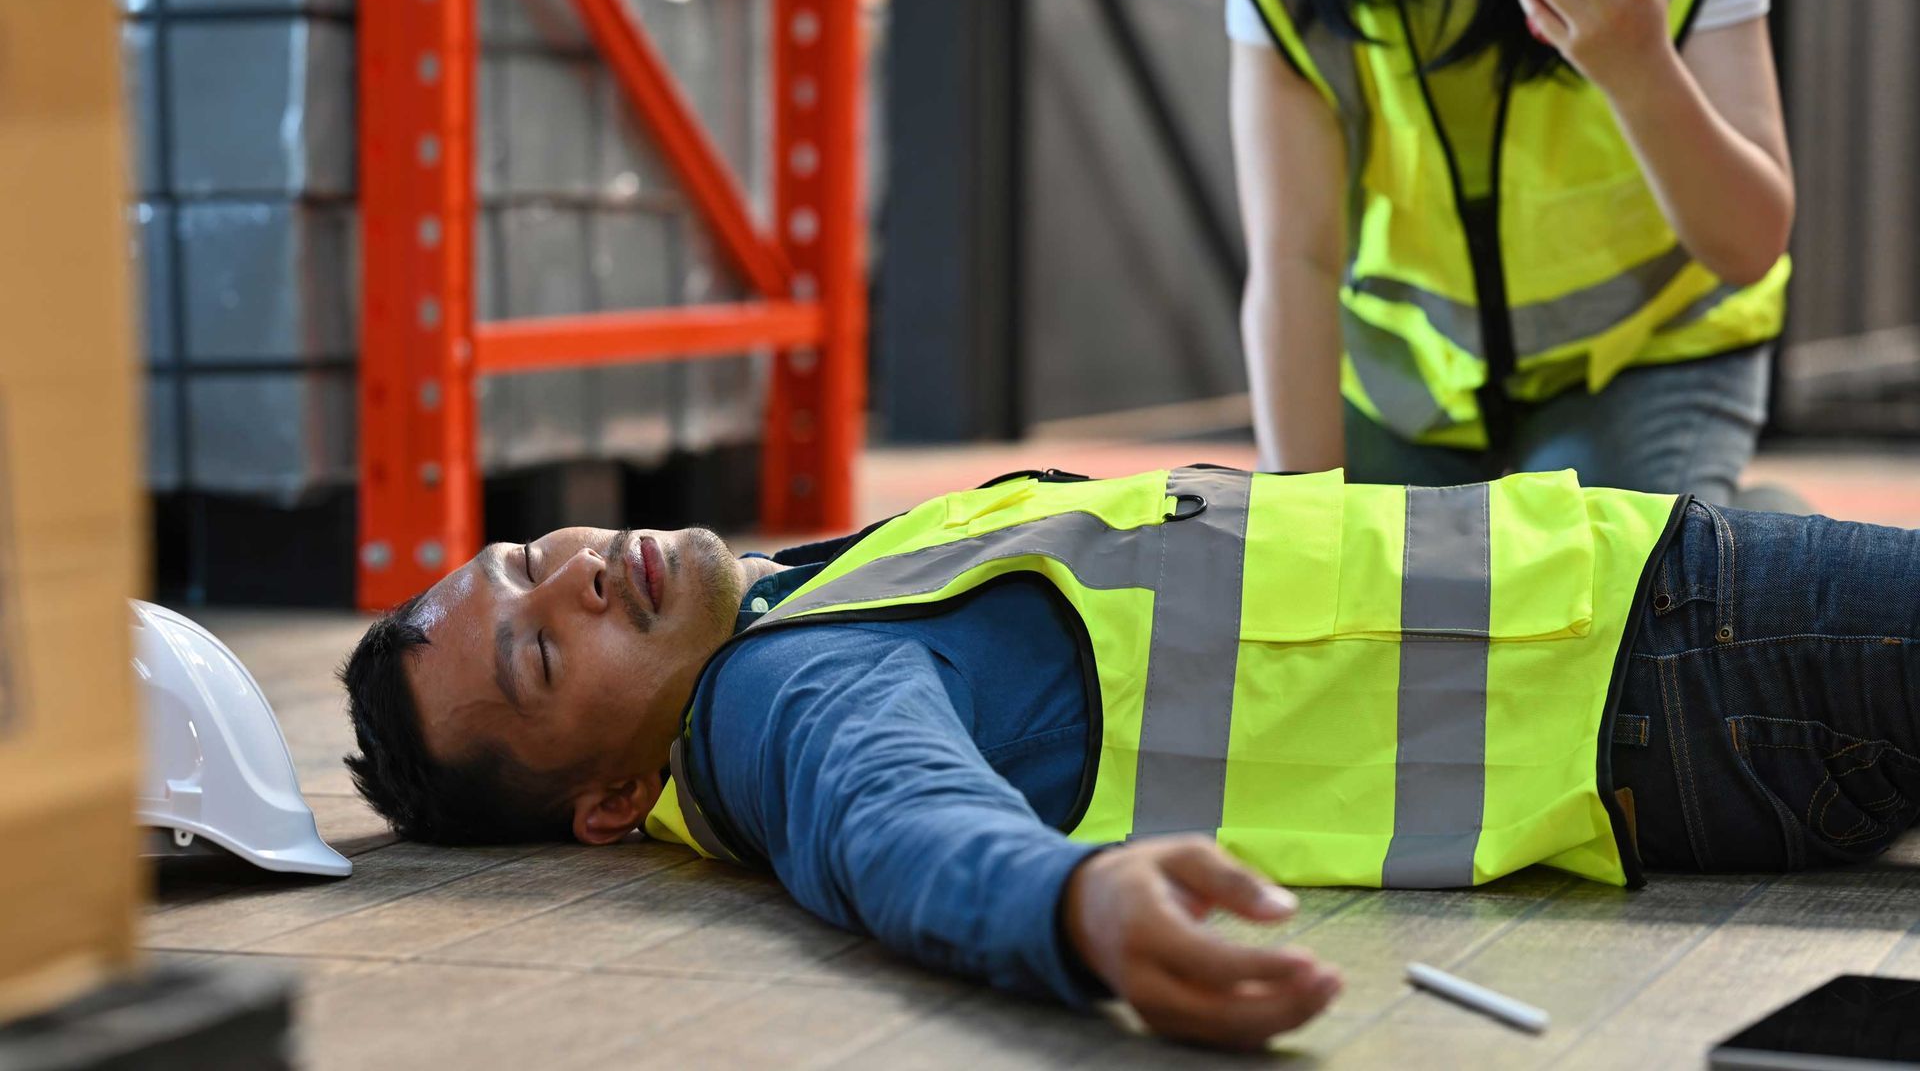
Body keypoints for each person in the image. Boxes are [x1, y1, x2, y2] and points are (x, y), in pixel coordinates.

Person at [340, 466, 1920, 1051]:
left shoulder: (800, 593)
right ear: (611, 803)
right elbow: (898, 826)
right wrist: (1079, 910)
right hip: (1673, 671)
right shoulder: (780, 696)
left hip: (1640, 621)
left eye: (515, 561)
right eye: (544, 656)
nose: (568, 577)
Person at [1229, 0, 1793, 500]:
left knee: (1608, 597)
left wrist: (1639, 64)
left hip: (1647, 353)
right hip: (1405, 374)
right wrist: (1300, 522)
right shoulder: (1278, 3)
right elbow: (1294, 261)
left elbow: (1749, 245)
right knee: (1369, 603)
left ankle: (1758, 550)